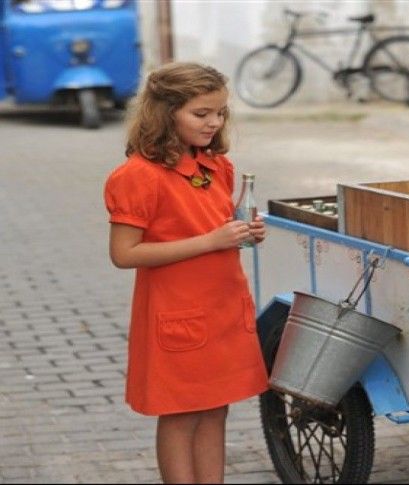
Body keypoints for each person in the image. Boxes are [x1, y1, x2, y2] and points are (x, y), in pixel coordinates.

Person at [103, 62, 269, 484]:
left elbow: (214, 226)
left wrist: (242, 232)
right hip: (178, 316)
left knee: (216, 408)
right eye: (201, 113)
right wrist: (212, 240)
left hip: (223, 308)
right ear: (166, 113)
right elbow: (124, 254)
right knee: (181, 414)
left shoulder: (217, 166)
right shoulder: (137, 176)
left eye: (220, 112)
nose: (214, 122)